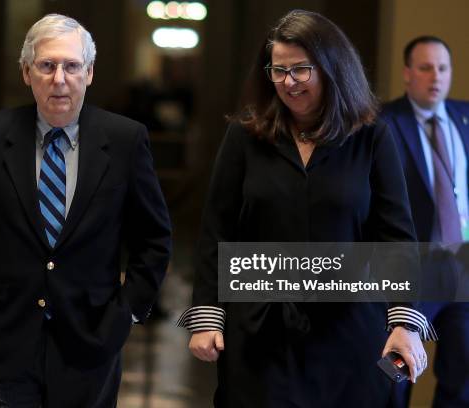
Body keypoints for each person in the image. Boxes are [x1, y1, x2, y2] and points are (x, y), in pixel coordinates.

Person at [177, 10, 436, 407]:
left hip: (350, 332)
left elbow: (396, 237)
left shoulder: (371, 136)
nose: (288, 82)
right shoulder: (244, 136)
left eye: (301, 69)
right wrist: (207, 315)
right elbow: (217, 232)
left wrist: (404, 321)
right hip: (260, 332)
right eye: (278, 70)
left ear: (332, 68)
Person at [0, 14, 172, 407]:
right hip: (2, 343)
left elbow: (154, 240)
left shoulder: (125, 140)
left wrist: (128, 312)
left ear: (89, 73)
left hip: (91, 343)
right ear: (26, 72)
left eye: (72, 66)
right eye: (47, 65)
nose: (59, 79)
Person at [381, 36, 469, 407]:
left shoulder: (465, 117)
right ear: (406, 73)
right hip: (412, 266)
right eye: (425, 67)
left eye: (443, 68)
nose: (436, 76)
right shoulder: (384, 122)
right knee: (394, 372)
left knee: (462, 374)